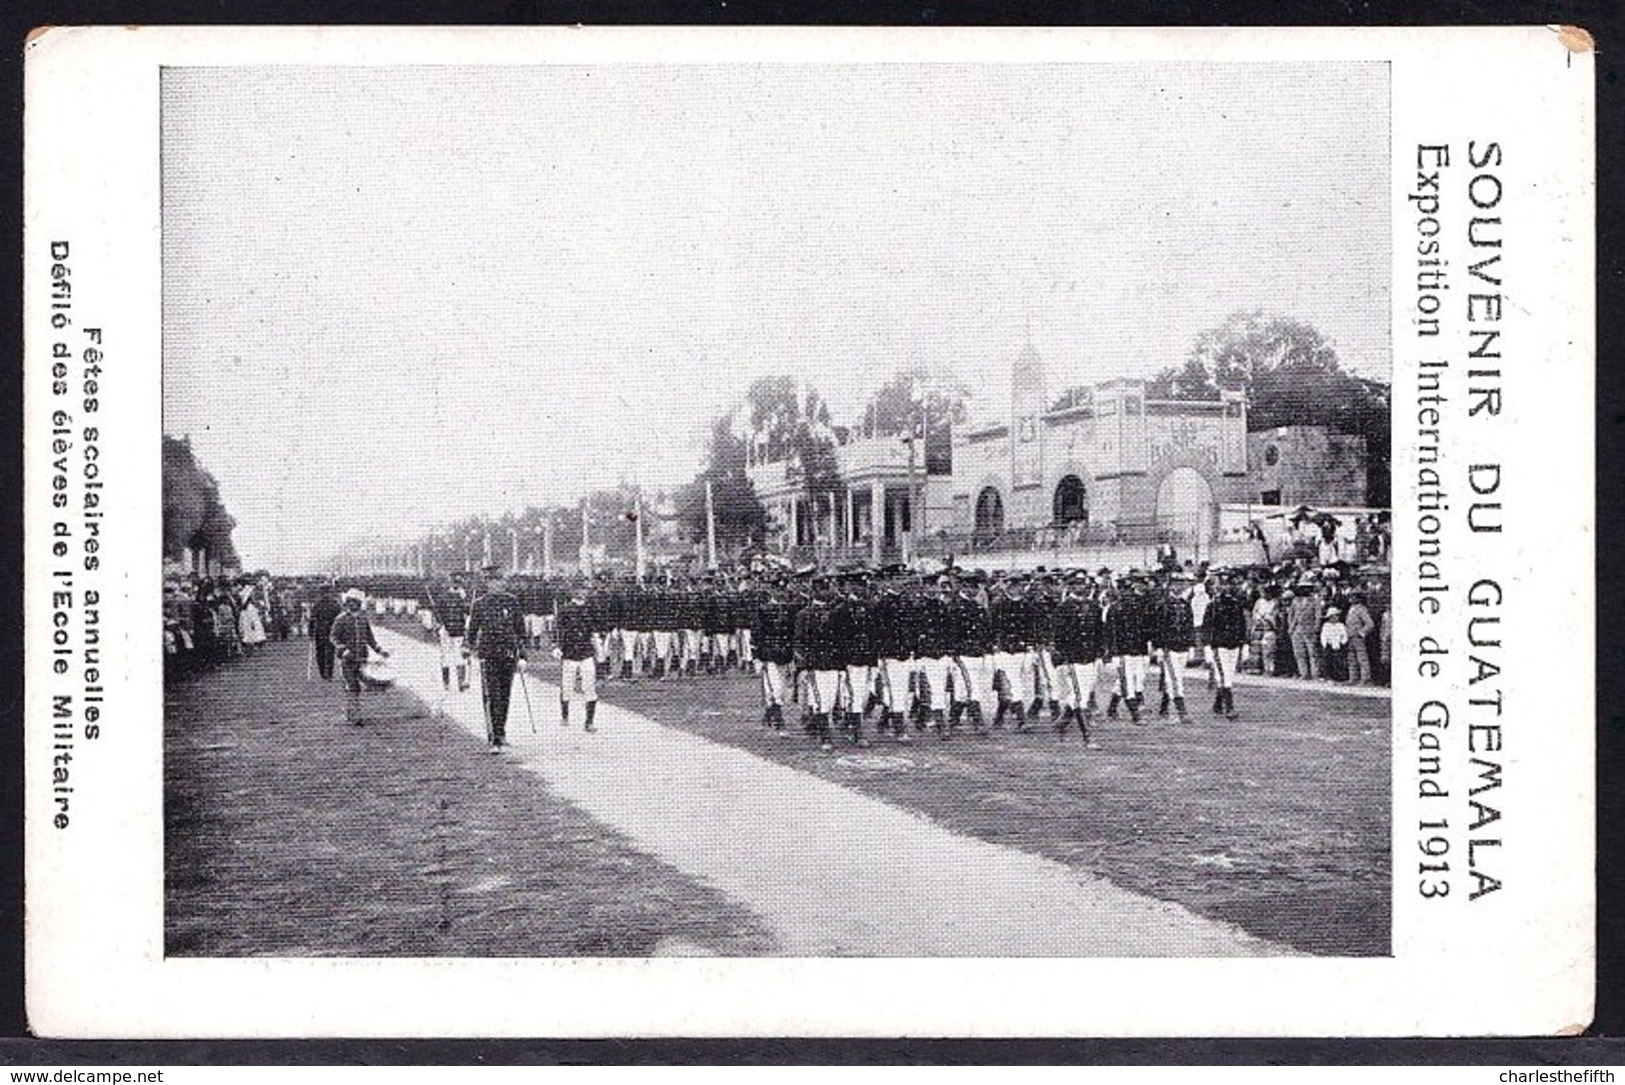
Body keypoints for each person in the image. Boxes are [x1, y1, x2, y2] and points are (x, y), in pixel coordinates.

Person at [464, 566, 528, 752]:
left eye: (499, 581)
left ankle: (501, 731)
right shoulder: (480, 603)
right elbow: (472, 629)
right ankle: (494, 738)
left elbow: (520, 631)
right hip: (488, 655)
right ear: (487, 583)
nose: (497, 584)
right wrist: (467, 646)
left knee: (505, 695)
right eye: (493, 581)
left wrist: (522, 655)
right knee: (493, 696)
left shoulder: (512, 602)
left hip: (508, 653)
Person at [329, 588, 390, 725]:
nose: (353, 604)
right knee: (352, 685)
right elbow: (333, 637)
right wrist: (342, 649)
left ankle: (352, 713)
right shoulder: (341, 620)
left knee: (358, 686)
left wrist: (379, 650)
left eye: (356, 602)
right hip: (347, 659)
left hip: (361, 658)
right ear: (347, 603)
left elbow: (370, 638)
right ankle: (354, 716)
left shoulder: (363, 619)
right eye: (350, 602)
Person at [554, 583, 598, 732]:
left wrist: (598, 648)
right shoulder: (565, 610)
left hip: (586, 652)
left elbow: (593, 630)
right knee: (567, 686)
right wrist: (558, 646)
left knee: (589, 686)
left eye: (584, 589)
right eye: (579, 590)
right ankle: (565, 715)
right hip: (570, 652)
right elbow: (559, 629)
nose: (582, 592)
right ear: (572, 592)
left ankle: (589, 721)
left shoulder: (590, 609)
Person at [1207, 572, 1249, 720]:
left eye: (1228, 584)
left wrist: (1244, 643)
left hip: (1234, 643)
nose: (1225, 587)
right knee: (1225, 674)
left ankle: (1218, 703)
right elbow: (1209, 626)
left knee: (1228, 673)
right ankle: (1229, 707)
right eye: (1222, 584)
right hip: (1220, 644)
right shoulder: (1213, 605)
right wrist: (1209, 645)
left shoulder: (1236, 604)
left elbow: (1242, 624)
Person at [308, 581, 342, 681]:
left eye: (326, 591)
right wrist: (311, 631)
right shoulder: (323, 604)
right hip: (324, 631)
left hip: (328, 631)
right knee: (324, 652)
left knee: (325, 652)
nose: (325, 594)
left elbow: (339, 618)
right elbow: (313, 619)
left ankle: (326, 673)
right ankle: (326, 673)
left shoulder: (330, 604)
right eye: (324, 592)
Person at [1344, 592, 1376, 685]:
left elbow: (1370, 623)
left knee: (1362, 658)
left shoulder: (1361, 609)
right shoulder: (1351, 608)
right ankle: (1353, 678)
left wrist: (1361, 633)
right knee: (1351, 658)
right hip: (1350, 636)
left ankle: (1365, 679)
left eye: (1353, 597)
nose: (1351, 598)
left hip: (1357, 637)